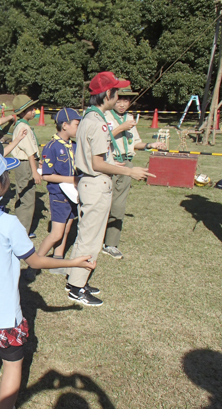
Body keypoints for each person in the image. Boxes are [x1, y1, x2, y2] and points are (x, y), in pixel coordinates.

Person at [0, 148, 95, 409]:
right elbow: (35, 261)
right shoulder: (8, 224)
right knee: (12, 364)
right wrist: (74, 261)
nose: (9, 178)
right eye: (6, 174)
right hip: (2, 313)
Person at [66, 72, 154, 306]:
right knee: (91, 239)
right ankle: (77, 288)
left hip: (90, 182)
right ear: (108, 95)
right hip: (96, 183)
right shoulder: (97, 122)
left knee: (86, 235)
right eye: (116, 92)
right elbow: (96, 163)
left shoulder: (89, 118)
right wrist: (129, 171)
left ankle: (75, 279)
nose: (119, 97)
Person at [102, 86, 166, 259]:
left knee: (119, 204)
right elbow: (103, 138)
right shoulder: (104, 115)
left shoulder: (129, 118)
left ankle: (111, 243)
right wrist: (121, 127)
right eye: (120, 99)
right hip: (108, 162)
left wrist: (149, 146)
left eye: (127, 100)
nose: (123, 104)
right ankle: (95, 238)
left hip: (126, 162)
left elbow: (134, 142)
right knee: (101, 202)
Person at [36, 108, 83, 274]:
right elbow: (48, 176)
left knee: (67, 229)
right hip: (59, 195)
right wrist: (73, 180)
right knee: (56, 234)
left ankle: (58, 259)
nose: (80, 128)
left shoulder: (74, 145)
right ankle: (35, 262)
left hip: (73, 194)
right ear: (65, 125)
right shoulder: (52, 147)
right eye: (77, 124)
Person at [9, 94, 41, 241]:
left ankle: (22, 229)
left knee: (23, 195)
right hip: (25, 165)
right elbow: (29, 153)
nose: (33, 112)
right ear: (22, 112)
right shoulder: (23, 127)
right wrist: (35, 172)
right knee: (27, 198)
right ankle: (22, 233)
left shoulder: (23, 125)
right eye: (30, 109)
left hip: (26, 163)